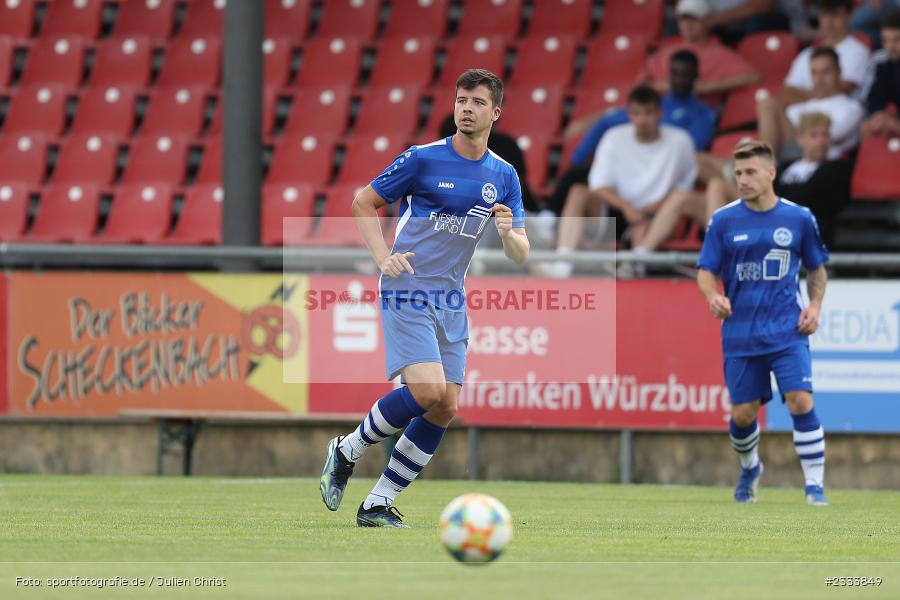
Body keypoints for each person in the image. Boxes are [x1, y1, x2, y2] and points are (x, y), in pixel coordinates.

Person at [319, 69, 529, 528]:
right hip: (408, 285)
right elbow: (362, 202)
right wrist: (383, 258)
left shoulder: (505, 175)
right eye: (461, 100)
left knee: (445, 405)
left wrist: (508, 233)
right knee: (427, 390)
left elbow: (521, 252)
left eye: (477, 102)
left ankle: (377, 503)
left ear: (495, 112)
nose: (466, 109)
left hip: (451, 297)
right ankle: (348, 449)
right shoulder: (422, 158)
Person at [696, 140, 830, 506]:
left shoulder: (799, 218)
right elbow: (706, 270)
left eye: (750, 172)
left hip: (788, 330)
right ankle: (750, 467)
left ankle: (814, 487)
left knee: (800, 400)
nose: (742, 179)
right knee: (743, 415)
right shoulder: (723, 220)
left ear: (771, 173)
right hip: (740, 333)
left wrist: (815, 305)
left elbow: (817, 267)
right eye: (738, 173)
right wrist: (712, 296)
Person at [541, 86, 700, 278]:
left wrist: (657, 205)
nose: (642, 120)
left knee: (676, 203)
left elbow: (684, 187)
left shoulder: (681, 141)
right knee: (578, 191)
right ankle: (562, 264)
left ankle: (637, 263)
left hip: (657, 215)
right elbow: (598, 185)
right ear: (629, 114)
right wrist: (626, 207)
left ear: (660, 113)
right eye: (637, 113)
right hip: (617, 210)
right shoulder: (614, 137)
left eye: (648, 113)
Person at [706, 112, 852, 246]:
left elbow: (810, 198)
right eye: (814, 135)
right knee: (716, 186)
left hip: (796, 228)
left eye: (825, 135)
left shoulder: (837, 168)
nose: (821, 141)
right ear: (800, 140)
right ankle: (715, 249)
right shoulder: (787, 166)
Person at [642, 0, 762, 99]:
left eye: (694, 19)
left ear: (707, 20)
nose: (688, 25)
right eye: (683, 19)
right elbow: (639, 85)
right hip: (661, 112)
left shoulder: (720, 53)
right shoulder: (664, 52)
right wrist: (672, 86)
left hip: (699, 113)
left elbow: (753, 77)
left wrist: (707, 87)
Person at [760, 47, 865, 159]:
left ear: (839, 72)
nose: (819, 79)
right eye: (814, 73)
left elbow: (823, 139)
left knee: (768, 105)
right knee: (766, 103)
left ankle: (764, 165)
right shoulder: (801, 106)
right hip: (794, 158)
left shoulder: (852, 108)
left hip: (821, 161)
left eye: (825, 72)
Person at [782, 0, 871, 104]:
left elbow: (843, 88)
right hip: (806, 110)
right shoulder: (806, 53)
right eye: (825, 15)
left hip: (840, 110)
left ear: (848, 17)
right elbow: (787, 91)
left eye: (835, 15)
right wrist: (819, 94)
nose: (829, 21)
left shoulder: (858, 51)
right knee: (770, 104)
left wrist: (801, 95)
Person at [861, 9, 900, 138]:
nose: (890, 46)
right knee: (866, 127)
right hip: (888, 124)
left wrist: (895, 124)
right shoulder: (880, 61)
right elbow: (871, 99)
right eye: (885, 40)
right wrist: (878, 116)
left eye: (897, 39)